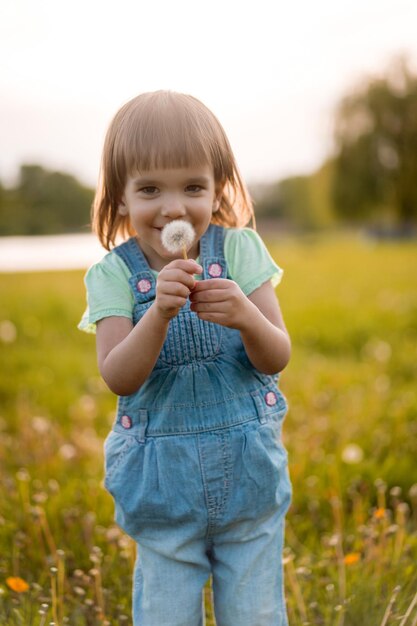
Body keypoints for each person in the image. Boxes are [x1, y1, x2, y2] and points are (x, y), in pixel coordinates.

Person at [79, 90, 292, 626]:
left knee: (257, 613)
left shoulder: (241, 251)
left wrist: (246, 314)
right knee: (165, 614)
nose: (174, 207)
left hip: (250, 485)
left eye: (192, 187)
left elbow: (278, 356)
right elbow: (117, 374)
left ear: (217, 187)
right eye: (150, 188)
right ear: (121, 198)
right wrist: (157, 316)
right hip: (162, 491)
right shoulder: (113, 275)